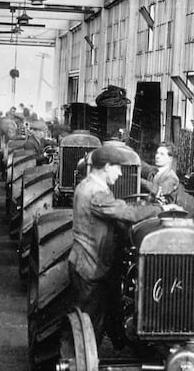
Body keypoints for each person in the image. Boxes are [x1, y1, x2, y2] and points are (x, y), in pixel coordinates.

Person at [68, 144, 180, 341]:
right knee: (89, 326)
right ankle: (86, 363)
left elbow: (118, 208)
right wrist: (160, 209)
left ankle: (118, 337)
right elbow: (126, 212)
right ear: (106, 166)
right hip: (91, 266)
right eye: (118, 168)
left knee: (99, 315)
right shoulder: (96, 192)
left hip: (86, 260)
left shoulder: (86, 185)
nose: (120, 174)